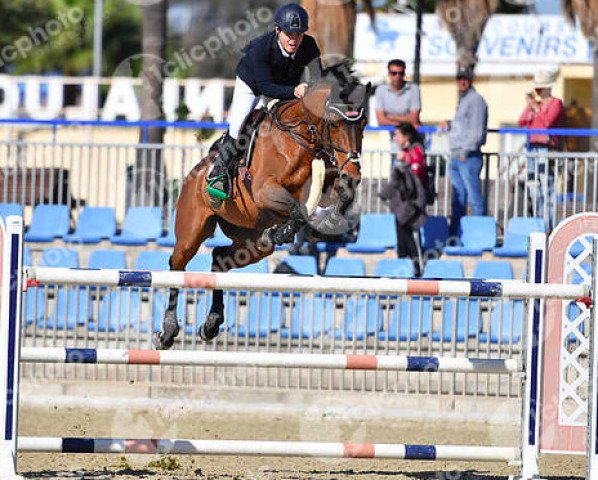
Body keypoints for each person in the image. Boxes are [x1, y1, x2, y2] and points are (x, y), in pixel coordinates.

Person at [207, 3, 322, 202]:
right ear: (277, 30)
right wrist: (295, 91)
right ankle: (219, 172)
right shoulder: (261, 49)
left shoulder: (309, 45)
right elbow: (265, 88)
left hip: (285, 85)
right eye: (289, 34)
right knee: (239, 126)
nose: (294, 40)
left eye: (299, 34)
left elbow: (318, 78)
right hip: (253, 85)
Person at [440, 66, 488, 237]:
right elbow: (465, 126)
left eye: (465, 78)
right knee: (458, 199)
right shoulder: (464, 99)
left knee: (474, 199)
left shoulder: (475, 100)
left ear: (471, 80)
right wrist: (450, 124)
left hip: (467, 156)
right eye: (459, 78)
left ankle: (478, 236)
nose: (462, 81)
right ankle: (456, 236)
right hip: (457, 155)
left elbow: (476, 131)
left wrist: (465, 152)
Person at [517, 69, 563, 230]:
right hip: (532, 148)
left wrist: (537, 109)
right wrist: (531, 107)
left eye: (540, 87)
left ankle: (549, 226)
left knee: (546, 186)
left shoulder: (556, 103)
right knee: (533, 186)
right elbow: (521, 121)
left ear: (547, 87)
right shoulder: (534, 105)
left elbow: (547, 123)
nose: (537, 90)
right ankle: (538, 224)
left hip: (546, 148)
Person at [379, 123, 427, 276]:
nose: (395, 138)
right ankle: (405, 265)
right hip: (402, 202)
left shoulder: (416, 150)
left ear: (406, 136)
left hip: (413, 201)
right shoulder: (404, 151)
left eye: (397, 135)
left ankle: (416, 267)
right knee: (401, 233)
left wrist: (404, 159)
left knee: (410, 233)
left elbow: (416, 172)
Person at [375, 59, 422, 166]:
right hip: (395, 141)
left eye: (401, 73)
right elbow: (381, 120)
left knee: (416, 172)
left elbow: (414, 118)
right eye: (394, 73)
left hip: (413, 139)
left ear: (404, 73)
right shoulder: (381, 90)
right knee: (397, 170)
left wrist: (391, 117)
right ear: (389, 74)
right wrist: (405, 120)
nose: (397, 76)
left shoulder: (413, 89)